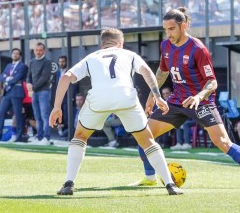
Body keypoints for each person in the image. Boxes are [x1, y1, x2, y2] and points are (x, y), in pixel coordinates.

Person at [130, 7, 240, 189]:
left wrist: (199, 97)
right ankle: (150, 177)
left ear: (184, 26)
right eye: (165, 29)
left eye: (171, 29)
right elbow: (162, 71)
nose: (168, 33)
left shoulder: (198, 49)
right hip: (176, 100)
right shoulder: (165, 45)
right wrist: (154, 95)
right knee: (144, 135)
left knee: (222, 142)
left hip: (202, 102)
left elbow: (212, 82)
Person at [49, 28, 183, 195]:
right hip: (126, 97)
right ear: (121, 44)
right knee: (147, 141)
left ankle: (68, 183)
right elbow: (147, 72)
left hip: (99, 99)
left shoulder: (91, 57)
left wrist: (56, 107)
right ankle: (170, 185)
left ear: (101, 44)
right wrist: (157, 96)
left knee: (80, 137)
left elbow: (65, 77)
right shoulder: (128, 54)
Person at [0, 48, 28, 142]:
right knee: (1, 112)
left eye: (17, 54)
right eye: (14, 53)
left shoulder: (23, 66)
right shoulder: (9, 65)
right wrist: (8, 78)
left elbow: (17, 77)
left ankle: (19, 136)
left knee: (18, 115)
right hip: (7, 93)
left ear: (20, 55)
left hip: (17, 93)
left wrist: (7, 80)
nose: (15, 55)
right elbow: (1, 77)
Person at [26, 42, 52, 145]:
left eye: (40, 50)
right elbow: (29, 75)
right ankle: (39, 137)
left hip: (43, 92)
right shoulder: (32, 62)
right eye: (36, 50)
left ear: (44, 51)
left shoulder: (47, 62)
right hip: (35, 92)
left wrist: (32, 88)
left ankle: (46, 138)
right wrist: (28, 83)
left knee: (45, 115)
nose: (38, 52)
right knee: (37, 116)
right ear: (34, 51)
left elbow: (44, 78)